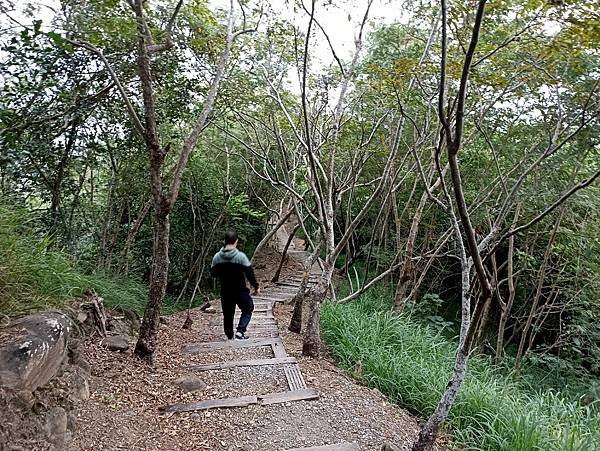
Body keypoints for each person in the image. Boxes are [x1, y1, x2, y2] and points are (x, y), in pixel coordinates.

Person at [210, 230, 260, 340]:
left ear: (224, 241)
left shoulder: (217, 257)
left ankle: (229, 336)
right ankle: (240, 331)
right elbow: (249, 273)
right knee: (248, 308)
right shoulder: (240, 257)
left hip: (225, 291)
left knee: (228, 314)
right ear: (236, 241)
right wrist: (256, 286)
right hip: (240, 290)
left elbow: (213, 274)